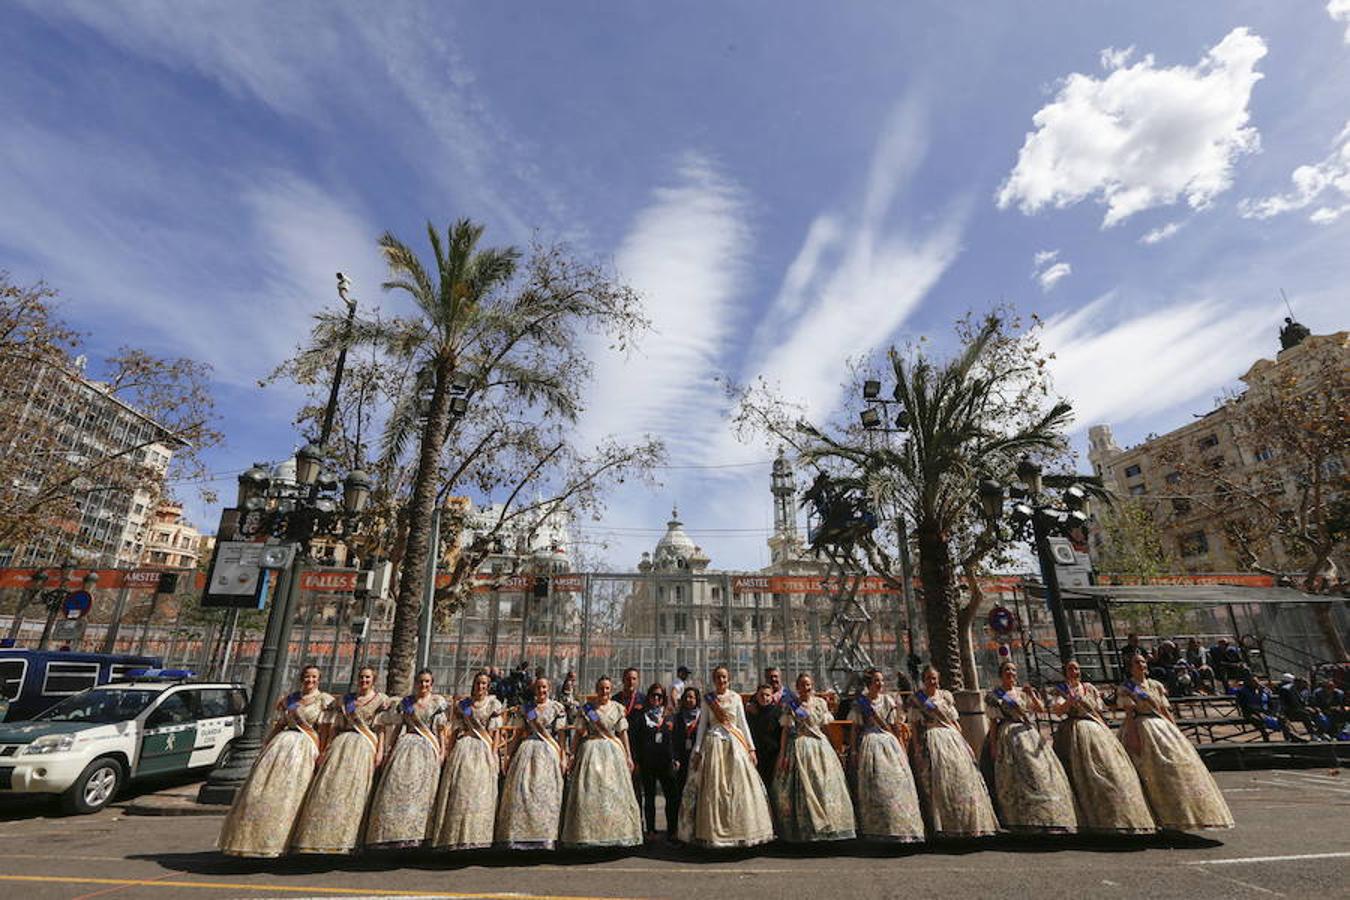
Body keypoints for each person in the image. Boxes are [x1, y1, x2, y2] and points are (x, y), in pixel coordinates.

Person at [218, 664, 333, 857]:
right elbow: (280, 724)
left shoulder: (324, 700)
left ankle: (289, 839)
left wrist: (322, 752)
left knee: (294, 792)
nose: (310, 680)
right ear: (301, 678)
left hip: (305, 747)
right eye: (307, 676)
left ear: (319, 680)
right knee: (265, 790)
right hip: (280, 746)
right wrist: (266, 744)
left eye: (314, 677)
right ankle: (257, 838)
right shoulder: (290, 700)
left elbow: (324, 730)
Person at [1118, 654, 1234, 830]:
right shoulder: (1127, 687)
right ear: (1130, 667)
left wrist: (1175, 731)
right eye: (1136, 662)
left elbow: (1165, 710)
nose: (1141, 664)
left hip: (1162, 728)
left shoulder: (1156, 685)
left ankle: (1183, 814)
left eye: (1143, 661)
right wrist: (1132, 735)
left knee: (1176, 768)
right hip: (1141, 726)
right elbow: (1129, 714)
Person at [290, 666, 390, 854]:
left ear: (374, 680)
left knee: (356, 790)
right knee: (331, 787)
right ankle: (323, 835)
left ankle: (350, 837)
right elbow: (334, 727)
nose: (364, 680)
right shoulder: (346, 701)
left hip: (364, 745)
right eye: (361, 677)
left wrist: (380, 752)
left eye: (367, 677)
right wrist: (326, 747)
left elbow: (380, 728)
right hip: (342, 745)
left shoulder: (380, 700)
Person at [1048, 660, 1154, 834]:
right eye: (1071, 669)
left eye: (1077, 668)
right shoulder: (1061, 690)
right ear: (1065, 672)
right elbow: (1057, 711)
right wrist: (1069, 702)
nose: (1075, 671)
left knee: (1109, 770)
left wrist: (1103, 726)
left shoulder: (1089, 688)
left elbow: (1097, 710)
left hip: (1094, 729)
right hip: (1071, 731)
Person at [676, 665, 775, 848]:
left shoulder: (736, 698)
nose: (721, 680)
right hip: (713, 744)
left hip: (735, 746)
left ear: (728, 679)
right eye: (718, 677)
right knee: (714, 791)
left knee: (739, 789)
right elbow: (702, 726)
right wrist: (697, 751)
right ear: (714, 679)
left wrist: (751, 749)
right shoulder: (708, 700)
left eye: (724, 677)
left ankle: (740, 832)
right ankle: (713, 834)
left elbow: (743, 724)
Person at [982, 660, 1077, 834]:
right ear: (1001, 675)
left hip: (1028, 733)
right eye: (1007, 670)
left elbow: (1040, 710)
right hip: (1007, 735)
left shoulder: (1022, 693)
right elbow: (993, 723)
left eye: (1013, 670)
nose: (1011, 673)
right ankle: (1019, 817)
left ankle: (1045, 815)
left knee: (1037, 772)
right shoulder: (995, 695)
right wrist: (994, 746)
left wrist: (1032, 695)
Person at [907, 665, 999, 838]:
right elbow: (914, 726)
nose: (931, 681)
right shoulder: (917, 699)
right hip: (932, 738)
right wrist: (918, 748)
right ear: (923, 680)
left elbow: (954, 722)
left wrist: (962, 741)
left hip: (951, 738)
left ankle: (966, 823)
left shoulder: (946, 697)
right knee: (938, 781)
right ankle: (942, 824)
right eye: (928, 678)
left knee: (962, 777)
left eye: (934, 678)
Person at [366, 668, 449, 849]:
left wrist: (442, 751)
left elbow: (441, 731)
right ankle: (396, 833)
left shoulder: (437, 703)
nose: (423, 685)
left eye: (427, 682)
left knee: (422, 790)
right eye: (421, 681)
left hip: (428, 747)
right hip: (406, 747)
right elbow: (398, 728)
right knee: (398, 787)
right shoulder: (406, 703)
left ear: (432, 684)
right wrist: (390, 748)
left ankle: (420, 834)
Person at [560, 675, 643, 848]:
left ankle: (616, 833)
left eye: (607, 689)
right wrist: (572, 754)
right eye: (601, 688)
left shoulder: (618, 708)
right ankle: (589, 834)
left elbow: (623, 733)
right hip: (591, 751)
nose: (604, 692)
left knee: (613, 793)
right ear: (596, 690)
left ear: (611, 691)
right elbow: (578, 733)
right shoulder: (587, 709)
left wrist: (628, 755)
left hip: (614, 753)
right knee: (590, 792)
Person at [772, 673, 856, 842]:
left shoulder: (820, 703)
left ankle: (830, 826)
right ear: (797, 687)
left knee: (824, 785)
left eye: (808, 685)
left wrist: (834, 746)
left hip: (820, 747)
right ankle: (804, 831)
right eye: (802, 685)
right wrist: (782, 753)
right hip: (799, 747)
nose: (806, 688)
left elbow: (825, 728)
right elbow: (786, 730)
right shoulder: (791, 705)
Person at [847, 667, 924, 843]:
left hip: (888, 742)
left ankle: (901, 824)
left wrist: (902, 746)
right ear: (869, 684)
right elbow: (855, 729)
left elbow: (895, 725)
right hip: (870, 742)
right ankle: (877, 827)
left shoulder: (888, 701)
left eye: (881, 681)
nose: (880, 684)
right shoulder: (861, 704)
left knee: (897, 781)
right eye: (876, 681)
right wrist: (853, 750)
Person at [430, 670, 504, 850]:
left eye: (484, 684)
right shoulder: (464, 705)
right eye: (478, 683)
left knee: (480, 792)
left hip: (483, 749)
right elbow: (455, 730)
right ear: (474, 684)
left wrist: (494, 753)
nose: (481, 687)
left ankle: (478, 836)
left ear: (488, 686)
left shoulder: (493, 704)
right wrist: (448, 750)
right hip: (464, 748)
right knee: (460, 790)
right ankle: (455, 835)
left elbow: (495, 734)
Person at [496, 676, 567, 850]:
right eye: (538, 688)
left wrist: (564, 756)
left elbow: (562, 737)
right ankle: (521, 835)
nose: (541, 691)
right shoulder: (526, 709)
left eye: (544, 687)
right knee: (523, 792)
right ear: (533, 690)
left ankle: (546, 836)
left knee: (546, 794)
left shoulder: (557, 708)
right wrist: (507, 756)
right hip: (527, 750)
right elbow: (518, 734)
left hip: (549, 752)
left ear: (548, 688)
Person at [631, 683, 678, 839]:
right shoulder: (641, 715)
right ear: (648, 697)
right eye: (653, 695)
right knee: (649, 797)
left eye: (659, 696)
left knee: (670, 797)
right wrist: (636, 760)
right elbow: (635, 739)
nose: (656, 698)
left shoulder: (669, 715)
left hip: (666, 762)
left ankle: (672, 830)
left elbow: (675, 739)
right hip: (647, 762)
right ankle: (650, 830)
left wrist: (675, 758)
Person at [615, 666, 646, 809]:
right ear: (623, 680)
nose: (631, 682)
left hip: (637, 747)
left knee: (636, 785)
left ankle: (638, 821)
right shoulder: (615, 700)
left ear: (638, 681)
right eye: (628, 679)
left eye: (634, 679)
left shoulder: (643, 700)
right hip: (618, 746)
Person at [670, 685, 701, 827]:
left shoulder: (702, 717)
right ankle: (680, 827)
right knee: (680, 793)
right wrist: (675, 758)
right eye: (687, 697)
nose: (689, 700)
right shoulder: (678, 718)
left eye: (692, 697)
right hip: (682, 760)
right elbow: (673, 740)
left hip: (697, 759)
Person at [746, 682, 782, 785]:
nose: (764, 698)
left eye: (767, 695)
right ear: (756, 696)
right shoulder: (751, 713)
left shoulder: (777, 712)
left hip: (773, 754)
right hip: (757, 753)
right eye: (761, 695)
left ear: (772, 697)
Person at [1235, 673, 1288, 741]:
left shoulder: (1263, 691)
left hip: (1265, 712)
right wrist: (1257, 712)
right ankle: (1265, 736)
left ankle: (1289, 738)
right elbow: (1244, 706)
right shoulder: (1242, 692)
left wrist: (1273, 713)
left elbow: (1271, 703)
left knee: (1283, 719)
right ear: (1248, 682)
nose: (1256, 683)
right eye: (1253, 682)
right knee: (1256, 719)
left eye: (1257, 681)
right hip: (1251, 713)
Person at [1278, 674, 1327, 741]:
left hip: (1297, 710)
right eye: (1303, 684)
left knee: (1315, 712)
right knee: (1305, 714)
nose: (1304, 686)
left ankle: (1320, 732)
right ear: (1298, 683)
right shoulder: (1287, 689)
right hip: (1288, 712)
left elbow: (1302, 702)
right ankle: (1312, 734)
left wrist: (1310, 707)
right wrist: (1304, 708)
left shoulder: (1297, 689)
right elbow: (1292, 704)